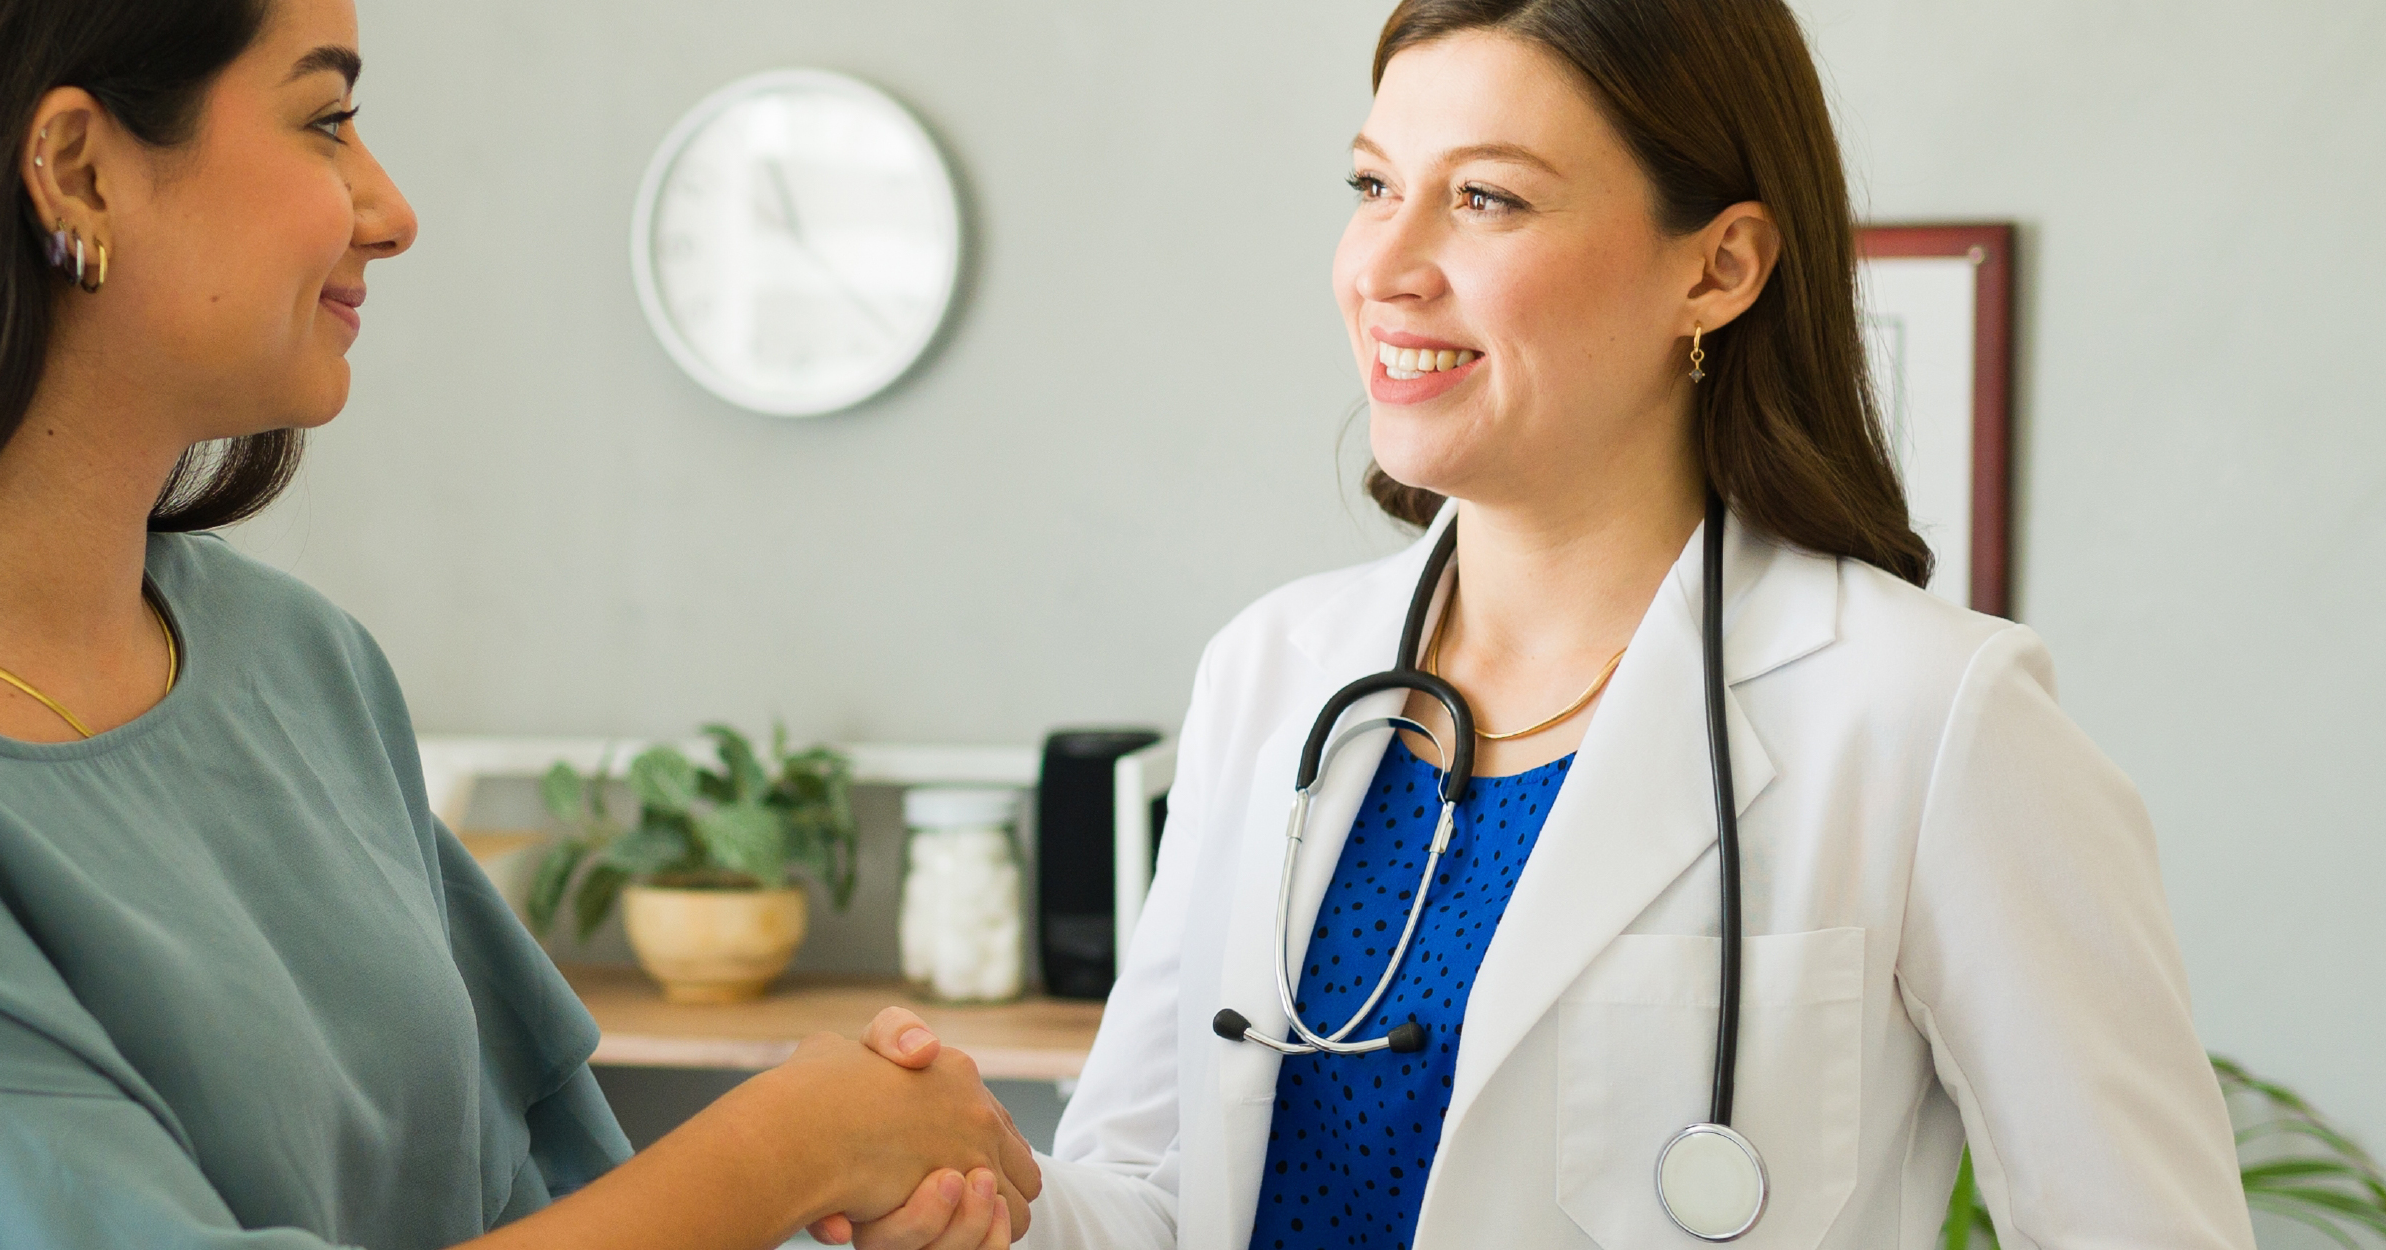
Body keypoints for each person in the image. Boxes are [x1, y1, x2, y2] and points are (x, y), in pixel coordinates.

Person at [0, 1, 1040, 1247]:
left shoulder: (301, 667)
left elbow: (546, 1204)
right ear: (77, 167)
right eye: (327, 118)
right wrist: (787, 1143)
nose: (391, 207)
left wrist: (853, 1176)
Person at [831, 1, 2253, 1248]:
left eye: (1488, 201)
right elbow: (1145, 1189)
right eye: (1372, 184)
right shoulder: (1272, 671)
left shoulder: (1931, 719)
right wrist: (979, 1207)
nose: (1386, 265)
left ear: (1719, 268)